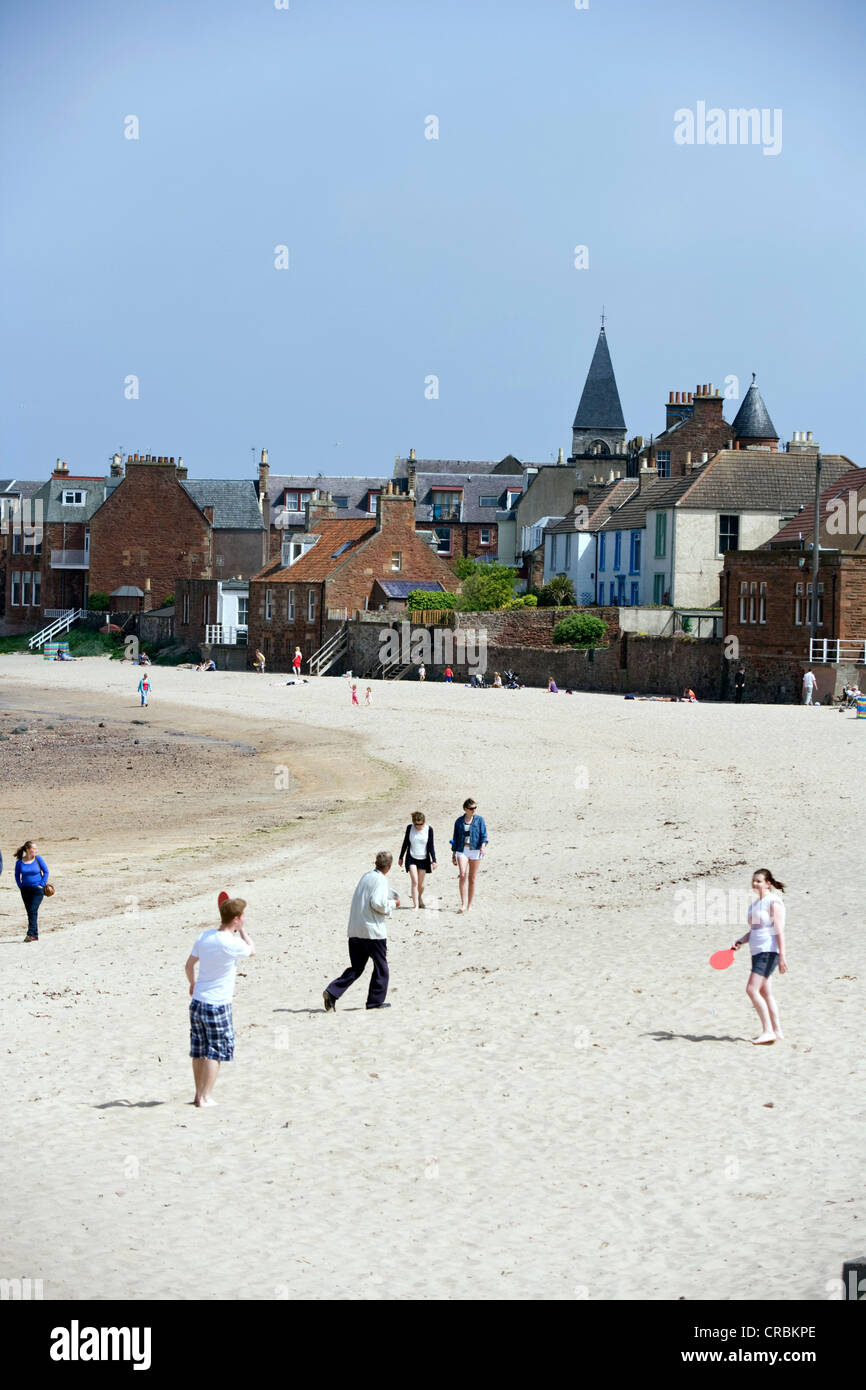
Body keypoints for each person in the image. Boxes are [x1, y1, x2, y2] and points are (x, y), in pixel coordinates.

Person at [185, 896, 256, 1107]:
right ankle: (205, 1097)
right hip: (217, 1005)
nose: (244, 919)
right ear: (236, 919)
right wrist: (243, 932)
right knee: (215, 1051)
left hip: (198, 1001)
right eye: (243, 917)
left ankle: (198, 1094)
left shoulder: (204, 937)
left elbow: (188, 966)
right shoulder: (231, 944)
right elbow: (251, 950)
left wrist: (192, 983)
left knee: (199, 1050)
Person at [323, 852, 399, 1012]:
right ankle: (375, 1002)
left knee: (356, 968)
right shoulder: (381, 880)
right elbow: (377, 903)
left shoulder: (366, 876)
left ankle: (332, 992)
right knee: (381, 967)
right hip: (372, 932)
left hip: (355, 930)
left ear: (376, 863)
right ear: (389, 866)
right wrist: (393, 904)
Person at [731, 869, 788, 1045]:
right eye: (754, 881)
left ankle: (768, 1031)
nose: (755, 883)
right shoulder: (756, 904)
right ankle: (777, 1031)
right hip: (756, 951)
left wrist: (782, 956)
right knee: (765, 992)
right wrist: (741, 940)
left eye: (759, 881)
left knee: (751, 989)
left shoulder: (774, 902)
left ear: (768, 883)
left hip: (768, 951)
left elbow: (779, 930)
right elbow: (755, 930)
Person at [450, 797, 488, 914]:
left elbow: (484, 835)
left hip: (475, 850)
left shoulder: (479, 820)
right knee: (462, 875)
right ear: (465, 809)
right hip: (463, 849)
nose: (474, 810)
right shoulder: (459, 821)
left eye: (475, 808)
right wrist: (454, 853)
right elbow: (455, 838)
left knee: (472, 878)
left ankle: (470, 904)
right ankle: (463, 904)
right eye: (471, 808)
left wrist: (483, 846)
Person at [398, 811, 437, 909]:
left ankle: (419, 898)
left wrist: (434, 860)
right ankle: (415, 905)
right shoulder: (409, 828)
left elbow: (431, 846)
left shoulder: (429, 829)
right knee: (414, 882)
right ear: (413, 822)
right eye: (416, 824)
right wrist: (401, 857)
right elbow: (405, 843)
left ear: (424, 822)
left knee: (421, 884)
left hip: (423, 859)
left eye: (421, 824)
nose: (418, 826)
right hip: (411, 857)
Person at [15, 840, 49, 942]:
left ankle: (30, 934)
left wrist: (41, 885)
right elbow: (17, 875)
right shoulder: (20, 862)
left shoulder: (38, 859)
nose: (36, 850)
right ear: (28, 850)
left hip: (37, 890)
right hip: (25, 890)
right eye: (34, 848)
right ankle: (35, 935)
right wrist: (20, 885)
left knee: (32, 910)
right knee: (30, 912)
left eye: (36, 848)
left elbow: (46, 871)